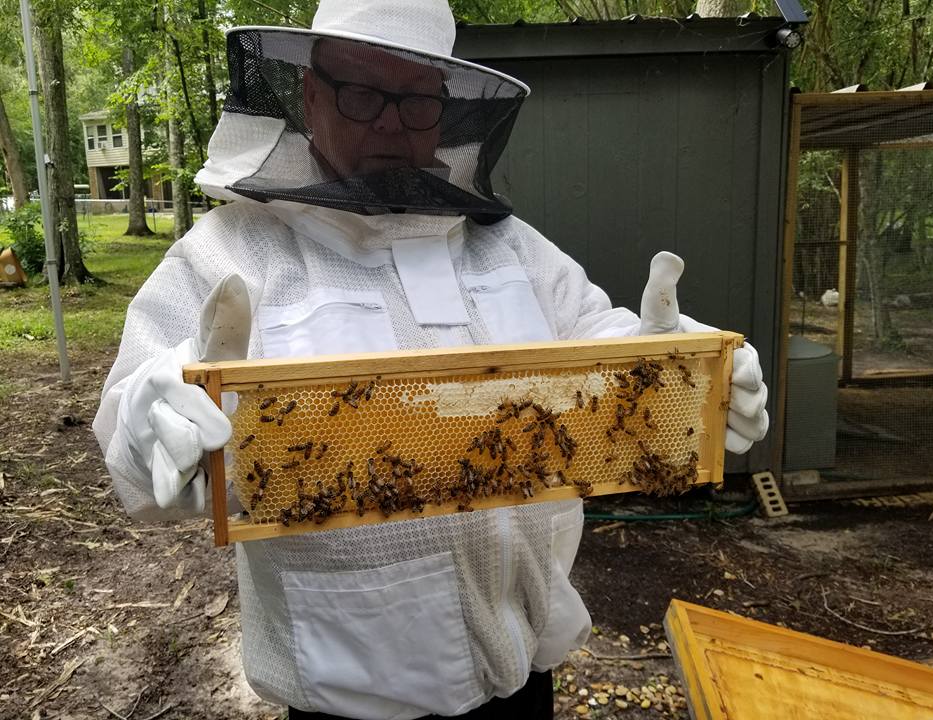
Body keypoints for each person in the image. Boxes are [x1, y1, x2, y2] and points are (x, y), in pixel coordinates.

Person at [92, 1, 769, 718]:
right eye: (360, 93)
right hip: (349, 700)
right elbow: (134, 445)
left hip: (525, 675)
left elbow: (601, 349)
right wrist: (150, 420)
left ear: (445, 110)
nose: (389, 121)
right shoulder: (230, 251)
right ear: (311, 96)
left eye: (414, 99)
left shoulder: (512, 247)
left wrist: (679, 375)